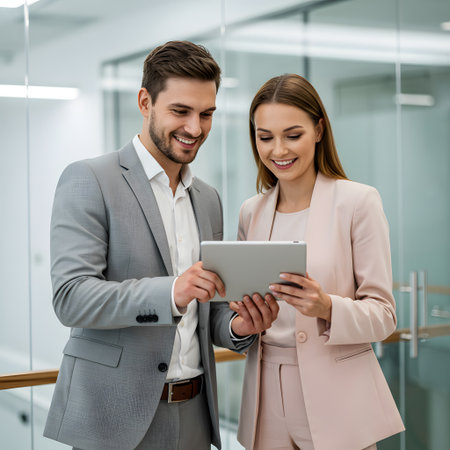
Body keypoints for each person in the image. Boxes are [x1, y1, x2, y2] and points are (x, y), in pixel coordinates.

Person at [43, 41, 279, 450]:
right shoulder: (89, 180)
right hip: (114, 421)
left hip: (194, 416)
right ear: (145, 102)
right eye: (180, 111)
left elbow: (211, 312)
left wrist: (241, 326)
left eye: (207, 114)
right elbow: (71, 297)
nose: (195, 128)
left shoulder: (208, 198)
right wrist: (172, 291)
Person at [232, 74, 405, 450]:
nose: (278, 150)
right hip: (265, 395)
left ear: (319, 130)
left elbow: (385, 315)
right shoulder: (251, 212)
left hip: (337, 397)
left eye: (293, 135)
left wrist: (326, 306)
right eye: (265, 137)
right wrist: (242, 317)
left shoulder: (358, 202)